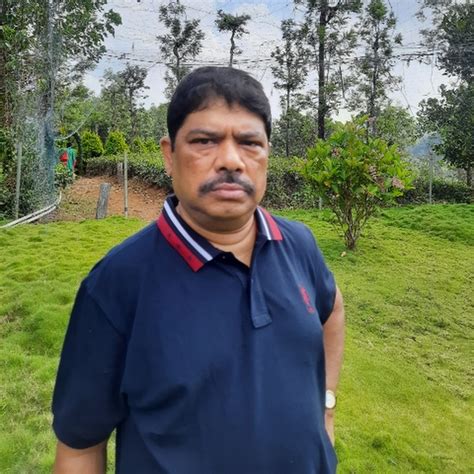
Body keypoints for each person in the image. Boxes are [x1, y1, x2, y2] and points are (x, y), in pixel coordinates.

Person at [52, 66, 345, 474]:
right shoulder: (117, 283)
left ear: (266, 155)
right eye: (205, 141)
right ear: (169, 155)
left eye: (249, 143)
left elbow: (332, 309)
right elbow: (80, 448)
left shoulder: (299, 245)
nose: (231, 161)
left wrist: (326, 405)